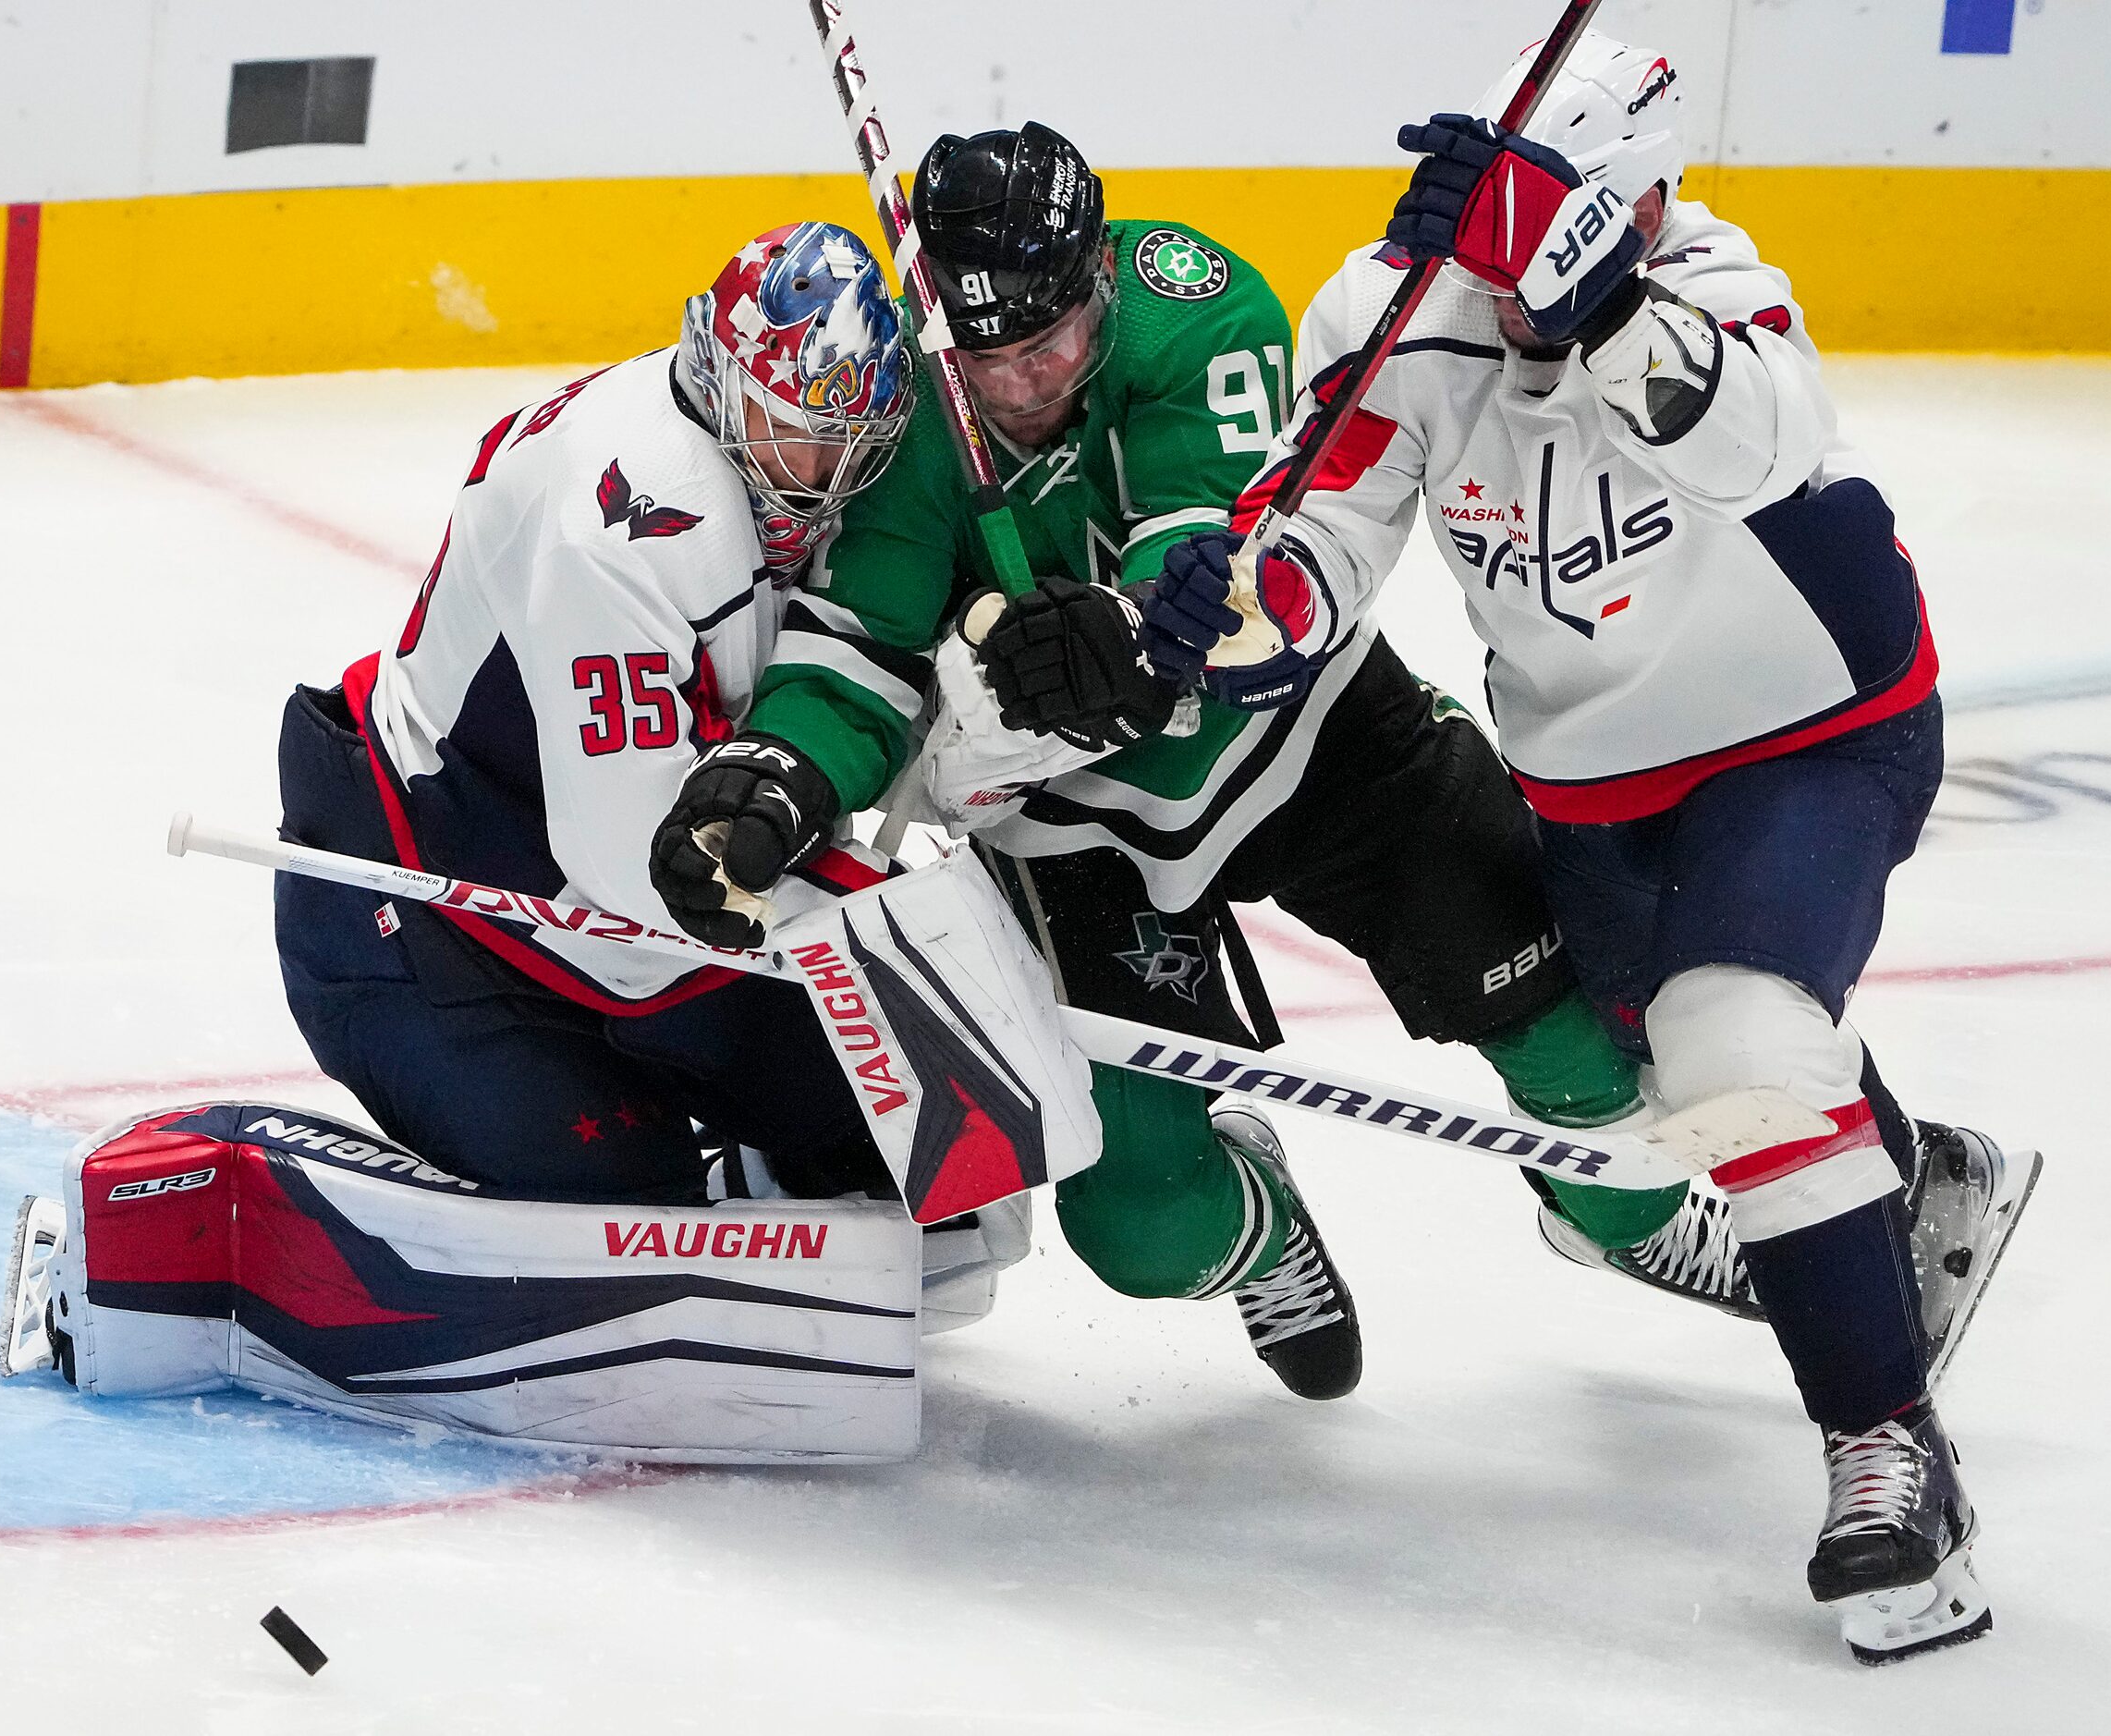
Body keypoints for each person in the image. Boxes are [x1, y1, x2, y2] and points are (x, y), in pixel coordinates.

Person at [1155, 37, 2037, 1661]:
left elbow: (1763, 443)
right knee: (1668, 1083)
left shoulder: (1717, 285)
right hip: (1589, 777)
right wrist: (1235, 611)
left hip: (1813, 725)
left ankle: (1888, 1456)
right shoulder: (1392, 308)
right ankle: (1924, 1181)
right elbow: (1329, 528)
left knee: (1743, 1035)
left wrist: (1598, 301)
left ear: (1638, 203)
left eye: (1560, 221)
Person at [650, 123, 1658, 1404]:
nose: (1020, 385)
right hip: (1082, 836)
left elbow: (1211, 548)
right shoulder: (913, 407)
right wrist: (780, 771)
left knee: (1591, 1102)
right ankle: (1262, 1226)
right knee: (1142, 1230)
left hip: (1317, 746)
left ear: (1097, 282)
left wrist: (1134, 630)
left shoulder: (1193, 301)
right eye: (988, 358)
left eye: (1051, 344)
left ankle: (1641, 1223)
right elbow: (859, 651)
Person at [0, 222, 979, 1461]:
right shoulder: (622, 521)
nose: (826, 468)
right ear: (723, 381)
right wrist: (881, 941)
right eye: (796, 427)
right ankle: (236, 1229)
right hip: (426, 912)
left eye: (852, 438)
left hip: (591, 914)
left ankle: (749, 1171)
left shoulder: (783, 466)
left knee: (885, 1141)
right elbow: (646, 874)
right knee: (629, 1212)